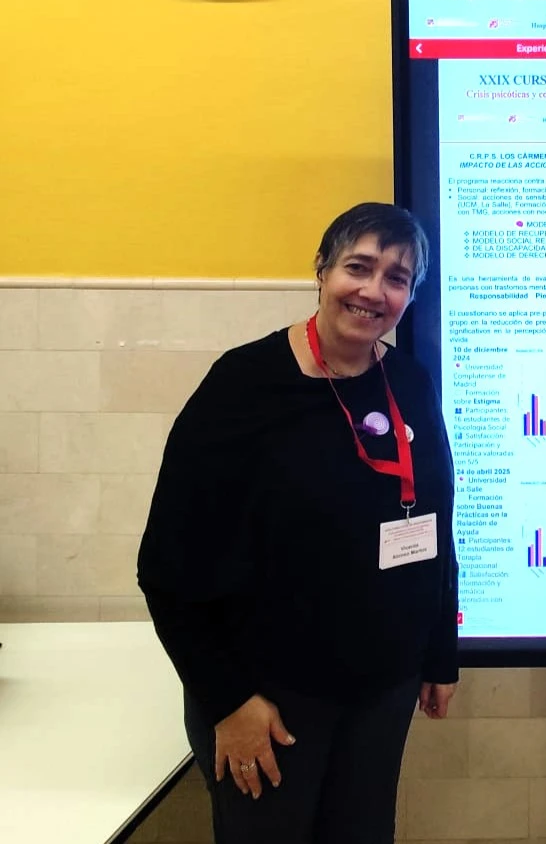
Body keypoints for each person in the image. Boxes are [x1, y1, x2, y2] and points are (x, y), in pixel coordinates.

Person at [138, 203, 458, 844]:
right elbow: (166, 567)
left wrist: (438, 654)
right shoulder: (243, 386)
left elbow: (435, 522)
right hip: (269, 697)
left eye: (396, 278)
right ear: (321, 270)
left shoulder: (408, 381)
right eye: (358, 267)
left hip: (380, 687)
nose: (374, 291)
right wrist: (229, 702)